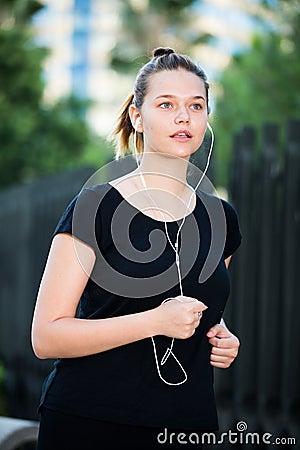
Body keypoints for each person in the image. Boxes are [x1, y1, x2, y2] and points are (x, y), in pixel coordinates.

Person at [31, 47, 242, 450]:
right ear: (138, 117)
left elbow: (203, 309)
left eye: (196, 105)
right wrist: (153, 322)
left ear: (206, 118)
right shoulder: (96, 206)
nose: (184, 116)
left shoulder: (222, 219)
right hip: (91, 424)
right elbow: (46, 336)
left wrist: (221, 336)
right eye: (167, 104)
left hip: (188, 425)